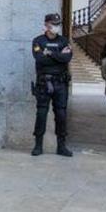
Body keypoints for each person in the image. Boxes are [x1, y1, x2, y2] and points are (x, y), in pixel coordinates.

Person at [30, 13, 73, 157]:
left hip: (60, 82)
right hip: (44, 82)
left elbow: (67, 58)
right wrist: (57, 56)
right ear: (46, 25)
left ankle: (61, 146)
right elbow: (40, 59)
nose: (56, 26)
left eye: (58, 24)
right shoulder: (38, 41)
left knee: (61, 114)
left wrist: (50, 53)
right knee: (41, 113)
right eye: (54, 24)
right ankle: (38, 145)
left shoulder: (64, 41)